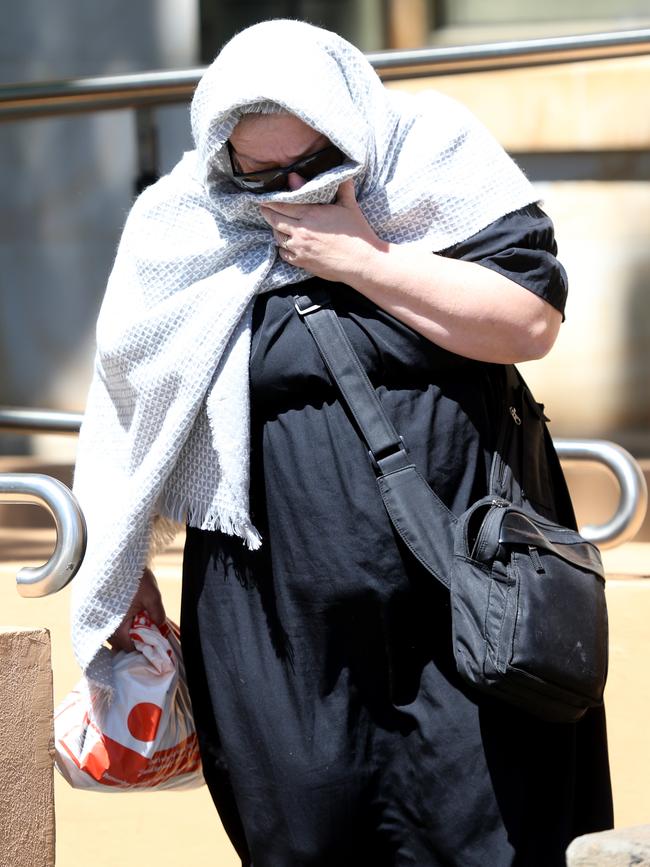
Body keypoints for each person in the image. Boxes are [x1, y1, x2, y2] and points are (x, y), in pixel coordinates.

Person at [71, 19, 613, 866]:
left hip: (471, 589)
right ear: (223, 158)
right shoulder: (181, 224)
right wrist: (125, 563)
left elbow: (530, 321)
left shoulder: (432, 159)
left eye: (317, 165)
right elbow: (128, 400)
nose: (292, 188)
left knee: (492, 830)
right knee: (303, 829)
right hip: (282, 619)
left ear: (353, 124)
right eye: (263, 174)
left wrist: (364, 260)